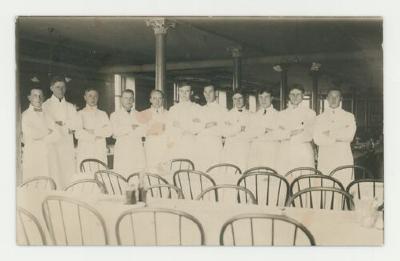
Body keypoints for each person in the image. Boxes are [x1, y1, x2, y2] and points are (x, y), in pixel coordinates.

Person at [313, 88, 356, 182]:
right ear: (327, 99)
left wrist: (329, 133)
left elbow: (349, 136)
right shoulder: (319, 118)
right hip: (326, 158)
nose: (333, 99)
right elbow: (317, 139)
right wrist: (339, 134)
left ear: (341, 99)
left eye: (336, 97)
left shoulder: (349, 116)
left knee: (344, 186)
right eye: (331, 97)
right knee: (326, 188)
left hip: (343, 157)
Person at [42, 76, 79, 188]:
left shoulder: (70, 106)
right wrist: (65, 125)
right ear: (51, 88)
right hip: (53, 146)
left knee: (68, 175)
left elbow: (76, 125)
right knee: (55, 174)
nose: (60, 90)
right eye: (57, 87)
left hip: (67, 146)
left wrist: (59, 124)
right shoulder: (45, 106)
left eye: (63, 87)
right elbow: (47, 126)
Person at [275, 84, 316, 178]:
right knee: (285, 180)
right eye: (292, 94)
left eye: (298, 94)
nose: (295, 97)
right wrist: (294, 131)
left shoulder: (310, 113)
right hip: (285, 151)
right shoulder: (281, 114)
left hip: (303, 151)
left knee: (303, 181)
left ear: (302, 96)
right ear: (289, 96)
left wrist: (286, 132)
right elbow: (277, 134)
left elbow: (309, 135)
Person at [22, 88, 59, 182]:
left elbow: (57, 134)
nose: (38, 98)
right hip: (34, 154)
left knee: (49, 180)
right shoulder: (25, 115)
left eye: (40, 96)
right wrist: (47, 131)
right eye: (35, 96)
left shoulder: (48, 114)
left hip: (49, 153)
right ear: (29, 98)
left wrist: (42, 137)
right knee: (35, 181)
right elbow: (31, 134)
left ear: (43, 98)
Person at [110, 89, 146, 177]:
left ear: (133, 100)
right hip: (123, 151)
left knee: (137, 177)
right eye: (126, 98)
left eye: (131, 98)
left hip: (137, 150)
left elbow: (143, 132)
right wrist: (131, 127)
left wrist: (124, 130)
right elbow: (115, 131)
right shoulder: (115, 115)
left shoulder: (139, 114)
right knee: (122, 177)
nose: (128, 101)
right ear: (121, 99)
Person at [75, 88, 112, 169]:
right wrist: (97, 134)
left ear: (98, 98)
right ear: (85, 97)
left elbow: (109, 132)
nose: (93, 98)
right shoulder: (79, 114)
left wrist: (91, 130)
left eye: (95, 96)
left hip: (100, 150)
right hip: (85, 150)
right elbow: (78, 134)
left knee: (100, 175)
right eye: (90, 96)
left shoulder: (103, 114)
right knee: (86, 175)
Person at [167, 83, 202, 164]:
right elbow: (170, 128)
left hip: (192, 142)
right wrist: (190, 124)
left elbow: (199, 127)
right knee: (177, 168)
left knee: (191, 166)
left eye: (187, 91)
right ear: (179, 92)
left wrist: (180, 125)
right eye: (182, 91)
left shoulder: (197, 108)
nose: (184, 94)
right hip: (177, 143)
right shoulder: (173, 109)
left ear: (191, 92)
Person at [195, 85, 227, 171]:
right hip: (201, 145)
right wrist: (206, 125)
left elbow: (223, 130)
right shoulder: (199, 110)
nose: (207, 94)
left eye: (210, 92)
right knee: (201, 172)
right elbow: (195, 128)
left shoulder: (223, 110)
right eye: (205, 92)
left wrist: (202, 125)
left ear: (216, 93)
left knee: (215, 171)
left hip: (215, 146)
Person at [247, 88, 280, 170]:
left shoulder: (279, 115)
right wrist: (265, 130)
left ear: (272, 98)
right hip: (256, 150)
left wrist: (258, 132)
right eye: (261, 97)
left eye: (266, 97)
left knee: (271, 176)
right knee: (256, 176)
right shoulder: (254, 116)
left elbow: (278, 134)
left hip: (272, 150)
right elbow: (250, 134)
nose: (263, 100)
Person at [138, 89, 169, 173]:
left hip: (165, 147)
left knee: (164, 173)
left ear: (163, 100)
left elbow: (170, 131)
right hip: (150, 147)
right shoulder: (143, 114)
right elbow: (142, 131)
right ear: (150, 100)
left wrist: (153, 129)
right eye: (154, 98)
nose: (157, 101)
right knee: (151, 172)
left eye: (159, 98)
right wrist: (158, 129)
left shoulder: (169, 114)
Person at [221, 90, 251, 171]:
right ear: (232, 100)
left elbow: (251, 133)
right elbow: (225, 132)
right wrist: (240, 128)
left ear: (245, 99)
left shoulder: (251, 115)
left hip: (245, 148)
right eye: (235, 99)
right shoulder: (228, 114)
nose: (237, 101)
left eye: (240, 98)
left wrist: (232, 128)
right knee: (230, 172)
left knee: (244, 171)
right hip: (231, 148)